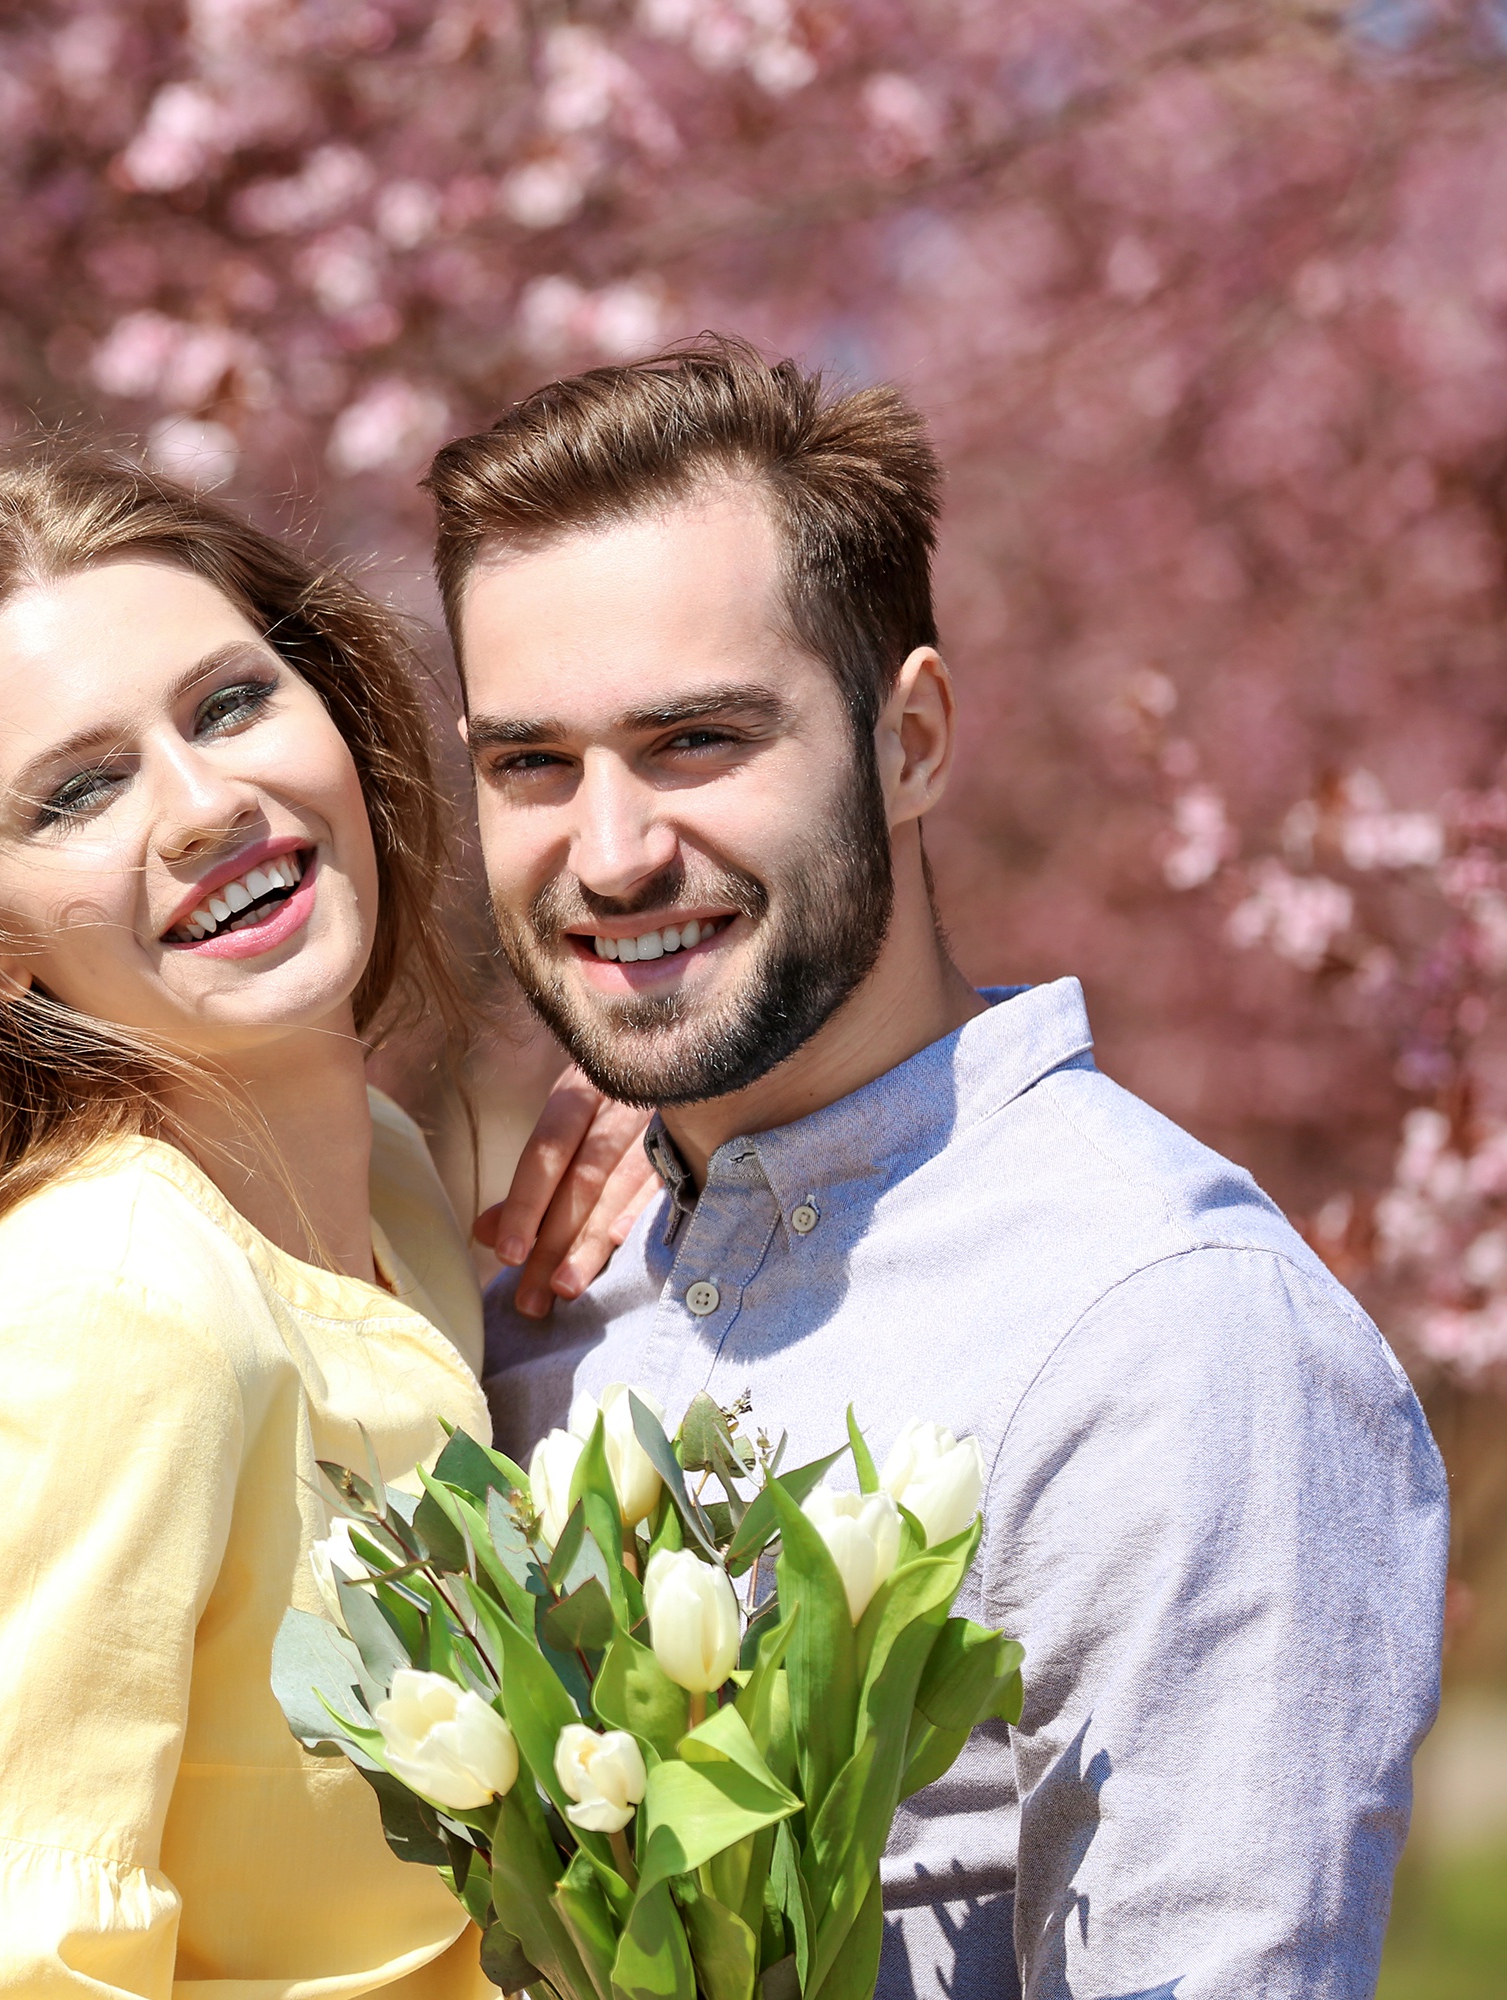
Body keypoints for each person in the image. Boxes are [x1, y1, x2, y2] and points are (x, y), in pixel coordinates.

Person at [434, 337, 1448, 2000]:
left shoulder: (1167, 1338)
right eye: (530, 763)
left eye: (696, 741)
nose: (607, 852)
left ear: (910, 742)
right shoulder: (543, 1291)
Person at [0, 447, 508, 1996]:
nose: (206, 803)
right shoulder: (123, 1317)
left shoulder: (399, 1198)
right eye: (82, 791)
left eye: (229, 705)